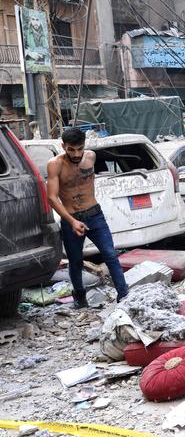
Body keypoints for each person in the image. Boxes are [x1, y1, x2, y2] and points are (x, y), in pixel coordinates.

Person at [46, 127, 129, 308]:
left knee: (110, 255)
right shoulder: (55, 164)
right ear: (63, 146)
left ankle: (124, 296)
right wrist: (72, 221)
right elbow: (51, 197)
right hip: (71, 219)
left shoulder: (91, 157)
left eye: (79, 149)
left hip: (95, 215)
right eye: (71, 149)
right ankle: (80, 297)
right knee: (75, 262)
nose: (76, 154)